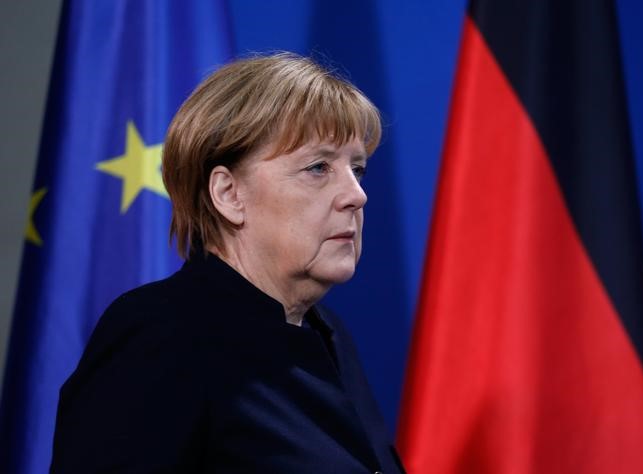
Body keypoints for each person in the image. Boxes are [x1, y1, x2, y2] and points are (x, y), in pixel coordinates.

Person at [50, 53, 405, 474]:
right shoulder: (161, 336)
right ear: (229, 194)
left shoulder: (327, 333)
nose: (357, 195)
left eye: (357, 169)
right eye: (318, 167)